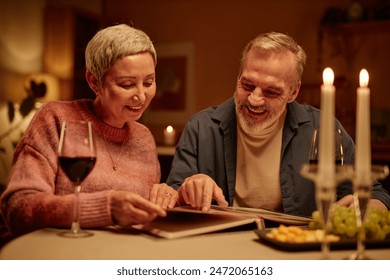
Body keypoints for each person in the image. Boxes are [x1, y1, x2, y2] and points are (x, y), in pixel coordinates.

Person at [167, 31, 390, 217]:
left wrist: (370, 207)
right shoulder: (201, 127)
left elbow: (375, 195)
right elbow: (172, 196)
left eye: (271, 91)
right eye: (247, 85)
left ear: (294, 92)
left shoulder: (323, 129)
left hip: (299, 250)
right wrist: (187, 189)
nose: (254, 99)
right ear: (238, 77)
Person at [0, 24, 178, 237]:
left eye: (149, 82)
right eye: (127, 84)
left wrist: (166, 197)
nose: (141, 95)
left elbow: (141, 216)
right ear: (94, 81)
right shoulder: (56, 119)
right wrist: (106, 208)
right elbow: (19, 208)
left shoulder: (144, 138)